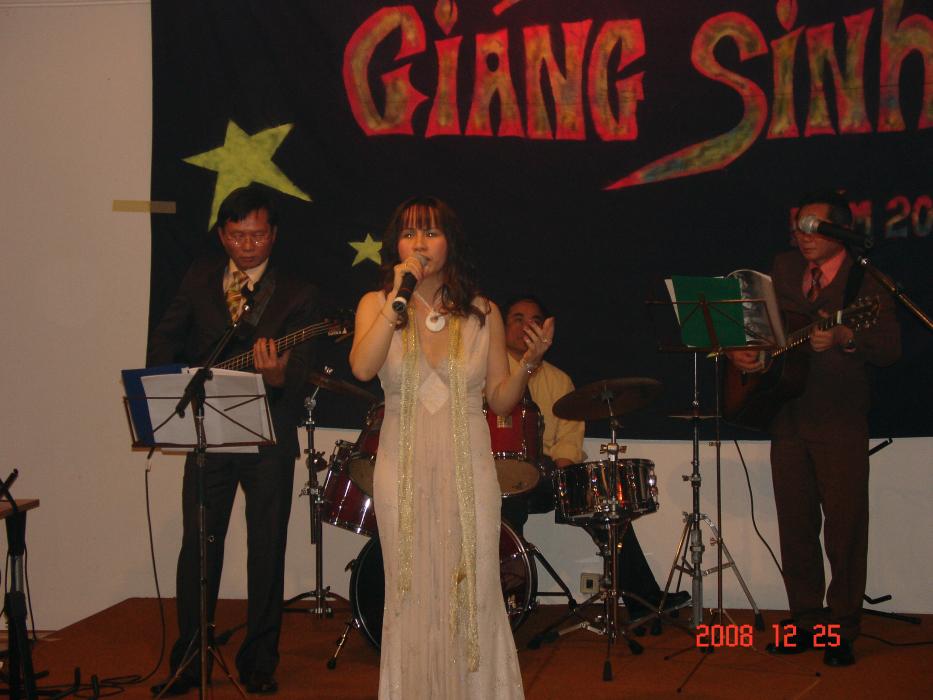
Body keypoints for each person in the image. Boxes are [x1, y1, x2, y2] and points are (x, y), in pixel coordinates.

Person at [349, 196, 551, 699]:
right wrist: (396, 302)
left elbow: (500, 399)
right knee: (410, 588)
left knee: (473, 585)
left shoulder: (483, 312)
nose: (419, 243)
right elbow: (363, 368)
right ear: (396, 246)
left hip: (469, 470)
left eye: (431, 232)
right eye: (409, 234)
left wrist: (528, 363)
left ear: (450, 243)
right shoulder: (377, 304)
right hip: (403, 468)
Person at [147, 186, 319, 695]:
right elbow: (166, 336)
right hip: (208, 432)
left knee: (267, 548)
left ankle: (259, 660)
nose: (248, 245)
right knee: (198, 547)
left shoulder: (297, 292)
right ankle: (190, 658)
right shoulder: (200, 277)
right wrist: (165, 384)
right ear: (222, 235)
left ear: (273, 235)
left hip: (269, 437)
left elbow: (302, 372)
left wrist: (278, 376)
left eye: (258, 235)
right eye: (238, 235)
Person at [727, 191, 900, 667]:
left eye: (812, 227)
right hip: (786, 414)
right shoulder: (783, 268)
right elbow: (761, 326)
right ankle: (806, 621)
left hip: (839, 417)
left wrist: (846, 336)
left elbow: (889, 348)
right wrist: (744, 352)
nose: (801, 236)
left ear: (839, 231)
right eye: (798, 226)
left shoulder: (865, 278)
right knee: (796, 526)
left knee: (845, 528)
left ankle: (841, 628)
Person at [499, 295, 688, 624]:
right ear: (501, 328)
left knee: (606, 501)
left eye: (534, 320)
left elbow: (570, 439)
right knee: (505, 510)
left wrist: (562, 475)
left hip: (545, 473)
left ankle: (644, 600)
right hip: (498, 475)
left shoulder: (559, 380)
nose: (525, 326)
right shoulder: (489, 373)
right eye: (517, 318)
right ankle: (507, 605)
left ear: (546, 331)